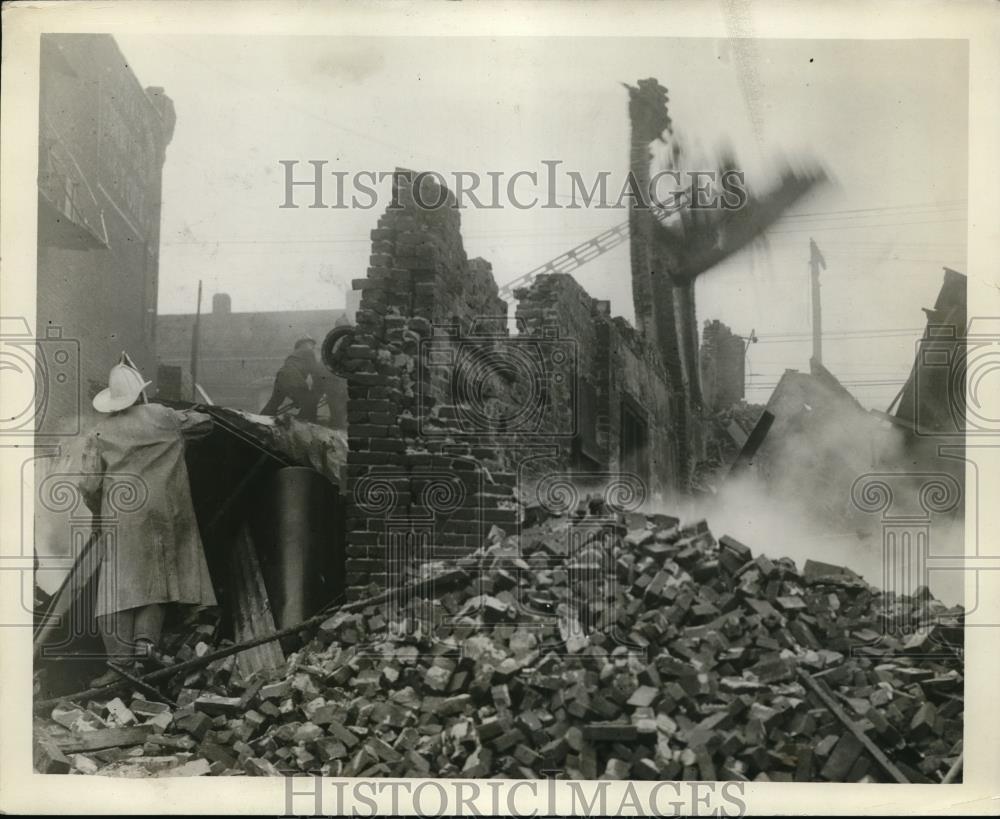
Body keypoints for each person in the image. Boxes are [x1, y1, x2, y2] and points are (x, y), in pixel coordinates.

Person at [80, 353, 217, 686]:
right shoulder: (162, 416)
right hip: (165, 514)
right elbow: (207, 424)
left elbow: (88, 482)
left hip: (122, 513)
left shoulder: (100, 432)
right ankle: (144, 647)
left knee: (117, 588)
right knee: (154, 584)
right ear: (140, 392)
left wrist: (96, 508)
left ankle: (119, 664)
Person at [260, 337, 323, 422]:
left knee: (274, 402)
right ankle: (304, 423)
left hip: (281, 376)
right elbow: (315, 371)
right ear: (303, 344)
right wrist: (316, 388)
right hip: (292, 377)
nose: (313, 347)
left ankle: (260, 420)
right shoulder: (308, 352)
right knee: (310, 402)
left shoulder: (294, 354)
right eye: (311, 344)